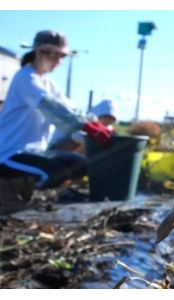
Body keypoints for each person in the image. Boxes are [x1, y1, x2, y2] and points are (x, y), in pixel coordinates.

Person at [0, 30, 112, 194]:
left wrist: (95, 123)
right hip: (10, 155)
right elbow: (51, 107)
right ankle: (11, 195)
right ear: (39, 52)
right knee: (52, 174)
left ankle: (28, 190)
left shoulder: (48, 83)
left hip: (37, 152)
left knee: (82, 165)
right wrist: (85, 126)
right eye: (55, 56)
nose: (59, 62)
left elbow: (70, 108)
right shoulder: (25, 78)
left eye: (62, 57)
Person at [49, 99, 117, 153]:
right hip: (57, 148)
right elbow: (76, 135)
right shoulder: (86, 119)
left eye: (110, 121)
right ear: (99, 115)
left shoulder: (108, 128)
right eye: (105, 119)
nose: (106, 123)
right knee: (89, 141)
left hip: (75, 150)